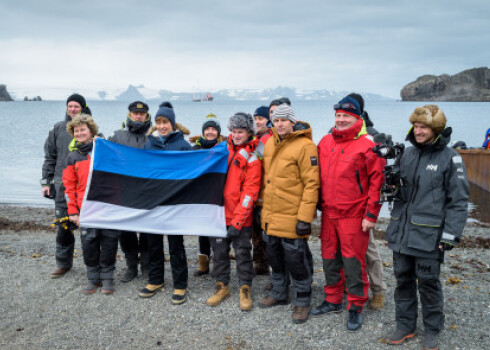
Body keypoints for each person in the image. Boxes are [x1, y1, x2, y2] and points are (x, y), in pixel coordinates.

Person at [385, 105, 469, 350]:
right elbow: (398, 192)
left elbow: (459, 200)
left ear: (436, 129)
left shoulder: (450, 157)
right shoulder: (408, 154)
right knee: (402, 279)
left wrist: (451, 234)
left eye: (424, 127)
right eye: (416, 126)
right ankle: (405, 325)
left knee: (429, 281)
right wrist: (390, 185)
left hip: (429, 234)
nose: (418, 131)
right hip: (401, 230)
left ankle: (432, 328)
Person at [312, 95, 384, 332]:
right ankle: (333, 299)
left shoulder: (367, 144)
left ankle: (356, 304)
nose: (341, 120)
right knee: (330, 258)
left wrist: (371, 215)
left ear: (356, 118)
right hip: (329, 213)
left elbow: (377, 182)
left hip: (354, 214)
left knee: (354, 262)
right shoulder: (325, 141)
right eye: (338, 116)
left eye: (346, 116)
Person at [258, 104, 319, 324]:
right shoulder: (270, 143)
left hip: (293, 215)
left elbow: (312, 185)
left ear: (292, 122)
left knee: (296, 260)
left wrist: (305, 218)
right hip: (272, 214)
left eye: (284, 120)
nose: (280, 123)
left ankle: (302, 300)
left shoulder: (305, 146)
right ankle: (279, 293)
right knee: (274, 255)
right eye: (277, 120)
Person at [206, 112, 261, 312]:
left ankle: (245, 287)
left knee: (243, 253)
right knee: (219, 253)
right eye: (234, 131)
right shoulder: (220, 149)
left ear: (248, 133)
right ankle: (222, 286)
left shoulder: (253, 159)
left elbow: (250, 193)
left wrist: (237, 222)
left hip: (240, 218)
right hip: (218, 215)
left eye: (241, 132)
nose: (237, 135)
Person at [139, 106, 191, 304]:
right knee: (153, 243)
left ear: (172, 124)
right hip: (154, 202)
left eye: (165, 122)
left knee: (176, 245)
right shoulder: (148, 145)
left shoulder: (183, 145)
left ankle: (180, 284)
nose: (162, 126)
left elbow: (192, 172)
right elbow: (142, 172)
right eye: (159, 123)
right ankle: (155, 280)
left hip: (175, 204)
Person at [63, 114, 120, 294]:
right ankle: (93, 278)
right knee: (89, 244)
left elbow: (120, 169)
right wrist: (73, 212)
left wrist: (102, 143)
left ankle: (107, 278)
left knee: (110, 242)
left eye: (83, 130)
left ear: (91, 131)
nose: (79, 133)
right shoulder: (72, 157)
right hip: (85, 209)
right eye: (76, 131)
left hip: (107, 206)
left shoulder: (104, 151)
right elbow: (68, 187)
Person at [345, 93, 388, 311]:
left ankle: (379, 290)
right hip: (342, 206)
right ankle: (351, 287)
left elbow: (377, 178)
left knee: (369, 250)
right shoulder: (337, 132)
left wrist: (371, 211)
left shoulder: (371, 136)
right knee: (344, 252)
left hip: (361, 207)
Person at [41, 93, 90, 279]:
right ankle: (63, 264)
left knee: (89, 230)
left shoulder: (91, 130)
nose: (73, 109)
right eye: (70, 106)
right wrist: (46, 182)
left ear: (83, 108)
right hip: (63, 188)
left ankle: (93, 267)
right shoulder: (57, 129)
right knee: (64, 228)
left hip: (86, 190)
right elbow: (49, 157)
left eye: (76, 106)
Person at [108, 101, 152, 282]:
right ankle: (131, 266)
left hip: (147, 192)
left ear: (147, 116)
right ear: (130, 114)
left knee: (149, 231)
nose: (138, 116)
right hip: (123, 191)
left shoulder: (153, 138)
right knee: (125, 232)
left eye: (142, 113)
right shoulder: (117, 137)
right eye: (135, 113)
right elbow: (104, 158)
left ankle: (147, 266)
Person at [192, 114, 225, 276]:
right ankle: (203, 264)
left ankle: (219, 263)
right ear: (203, 131)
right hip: (200, 195)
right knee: (202, 230)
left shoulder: (224, 148)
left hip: (219, 195)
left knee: (217, 230)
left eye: (213, 129)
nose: (210, 132)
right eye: (207, 129)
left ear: (218, 132)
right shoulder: (195, 149)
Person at [251, 106, 273, 276]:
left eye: (261, 118)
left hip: (267, 196)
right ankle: (260, 266)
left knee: (268, 236)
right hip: (253, 195)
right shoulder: (253, 139)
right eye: (256, 118)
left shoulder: (270, 140)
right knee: (256, 235)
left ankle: (273, 268)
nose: (258, 121)